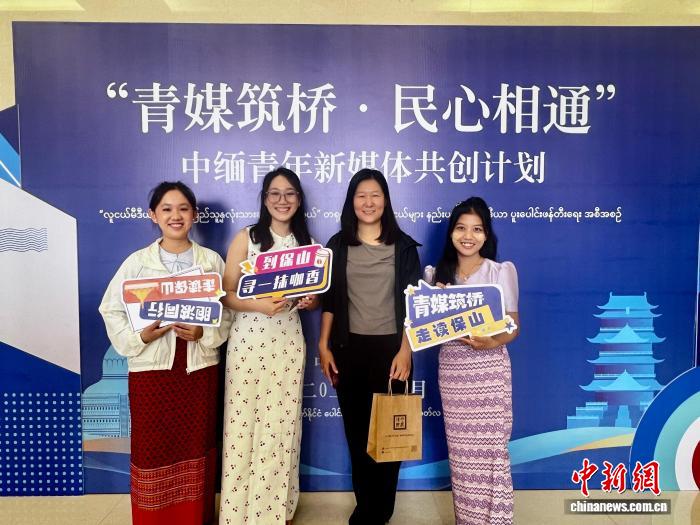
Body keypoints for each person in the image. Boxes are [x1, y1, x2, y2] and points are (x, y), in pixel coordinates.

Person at [99, 181, 230, 525]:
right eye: (167, 209)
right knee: (153, 449)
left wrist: (204, 333)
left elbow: (227, 312)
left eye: (183, 208)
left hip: (197, 369)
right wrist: (139, 337)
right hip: (152, 373)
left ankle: (194, 518)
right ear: (153, 215)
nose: (176, 216)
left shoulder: (210, 261)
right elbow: (110, 308)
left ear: (194, 215)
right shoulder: (138, 263)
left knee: (195, 448)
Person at [319, 168, 421, 525]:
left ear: (386, 200)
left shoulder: (404, 247)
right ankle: (365, 509)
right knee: (358, 436)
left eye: (375, 195)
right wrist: (323, 344)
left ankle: (381, 511)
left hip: (392, 352)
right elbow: (330, 300)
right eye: (361, 195)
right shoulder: (337, 245)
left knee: (390, 438)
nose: (368, 202)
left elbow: (414, 305)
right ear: (351, 201)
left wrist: (406, 350)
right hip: (349, 350)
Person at [219, 167, 318, 525]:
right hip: (248, 341)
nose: (282, 200)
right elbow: (226, 294)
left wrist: (310, 302)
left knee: (282, 426)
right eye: (274, 193)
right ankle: (238, 513)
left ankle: (276, 510)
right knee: (242, 425)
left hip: (288, 342)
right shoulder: (247, 238)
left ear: (299, 200)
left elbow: (314, 298)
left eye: (289, 193)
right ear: (264, 199)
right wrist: (258, 305)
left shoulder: (308, 245)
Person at [427, 197, 520, 525]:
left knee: (493, 452)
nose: (468, 236)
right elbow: (426, 332)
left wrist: (491, 341)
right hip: (453, 371)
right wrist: (436, 305)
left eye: (477, 229)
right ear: (451, 233)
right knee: (462, 455)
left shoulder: (500, 271)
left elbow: (513, 326)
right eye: (461, 228)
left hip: (489, 370)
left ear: (486, 234)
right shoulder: (435, 275)